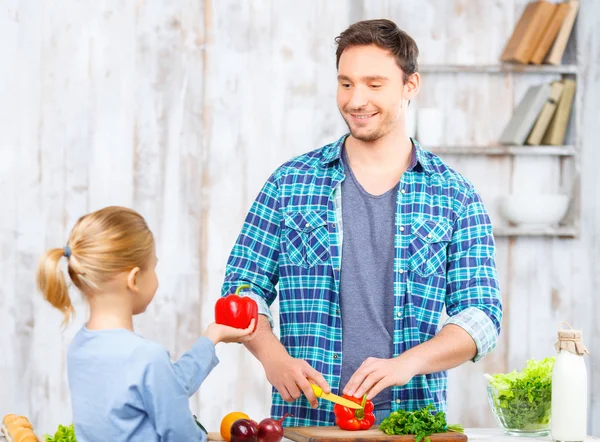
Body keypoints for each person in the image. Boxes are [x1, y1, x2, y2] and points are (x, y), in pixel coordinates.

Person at [221, 19, 503, 427]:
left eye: (374, 84)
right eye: (346, 83)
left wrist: (409, 363)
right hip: (308, 418)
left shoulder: (455, 196)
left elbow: (481, 316)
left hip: (410, 422)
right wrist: (272, 356)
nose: (356, 100)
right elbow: (241, 287)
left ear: (410, 86)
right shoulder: (290, 183)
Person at [37, 206, 256, 441]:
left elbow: (166, 387)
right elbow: (184, 436)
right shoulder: (147, 357)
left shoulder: (79, 347)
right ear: (134, 279)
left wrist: (213, 336)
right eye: (153, 267)